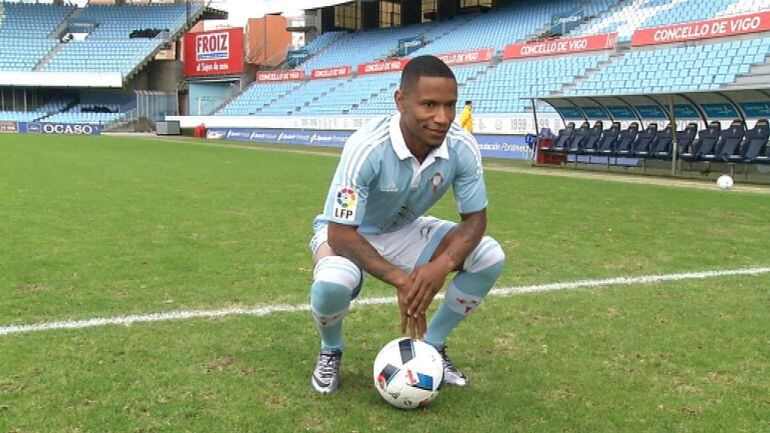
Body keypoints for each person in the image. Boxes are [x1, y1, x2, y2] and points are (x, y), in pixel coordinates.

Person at [308, 55, 505, 394]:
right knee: (332, 282)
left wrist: (442, 265)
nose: (441, 118)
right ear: (401, 101)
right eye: (429, 104)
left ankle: (433, 346)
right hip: (349, 234)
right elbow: (339, 234)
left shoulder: (461, 145)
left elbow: (476, 220)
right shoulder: (366, 147)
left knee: (489, 256)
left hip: (404, 232)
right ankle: (331, 349)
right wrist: (403, 280)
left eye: (449, 105)